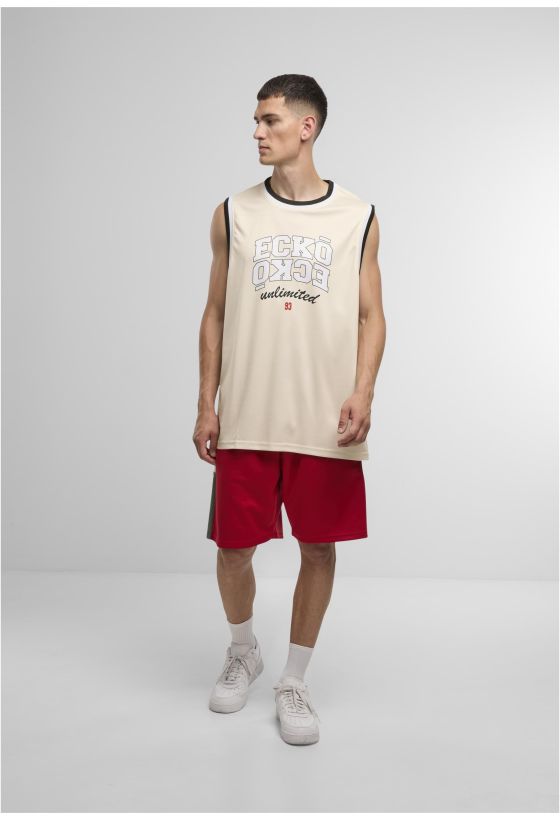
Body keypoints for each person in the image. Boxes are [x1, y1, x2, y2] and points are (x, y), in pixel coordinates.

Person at [192, 74, 386, 746]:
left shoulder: (358, 215)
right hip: (247, 412)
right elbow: (214, 313)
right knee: (233, 548)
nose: (257, 132)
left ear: (307, 127)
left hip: (324, 418)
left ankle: (294, 680)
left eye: (269, 120)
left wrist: (363, 391)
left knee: (319, 547)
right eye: (255, 120)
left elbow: (371, 314)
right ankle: (243, 649)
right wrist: (206, 403)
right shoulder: (232, 212)